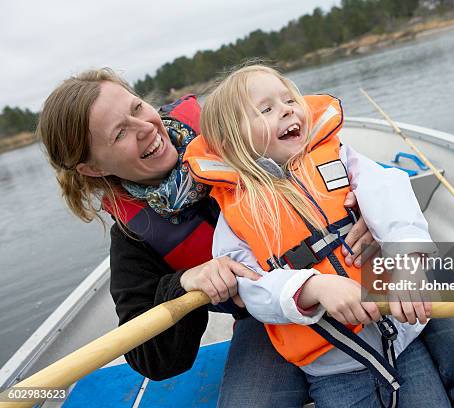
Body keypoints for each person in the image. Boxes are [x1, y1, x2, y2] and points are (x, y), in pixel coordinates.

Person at [183, 64, 454, 407]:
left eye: (289, 99)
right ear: (232, 142)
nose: (286, 109)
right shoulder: (234, 213)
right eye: (266, 109)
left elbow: (389, 194)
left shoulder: (341, 157)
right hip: (337, 368)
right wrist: (313, 287)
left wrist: (408, 257)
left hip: (403, 339)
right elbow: (250, 286)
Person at [36, 67, 376, 407]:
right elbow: (150, 359)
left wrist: (367, 203)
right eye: (120, 133)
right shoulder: (133, 239)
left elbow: (339, 159)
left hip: (361, 256)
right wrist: (184, 283)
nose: (145, 128)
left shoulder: (237, 131)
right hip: (269, 316)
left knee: (427, 299)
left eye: (137, 108)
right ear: (93, 169)